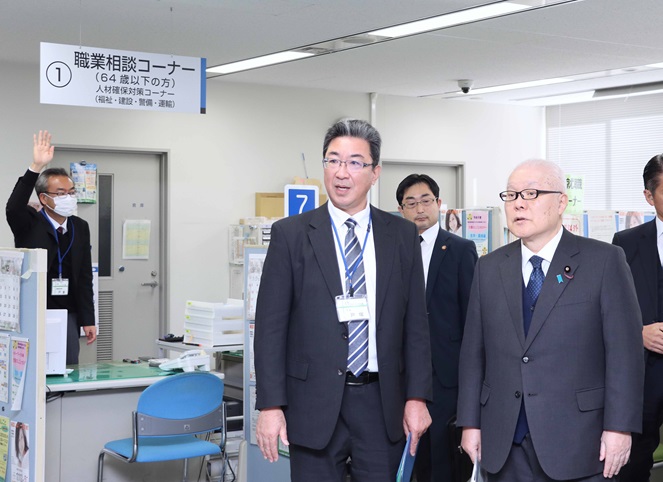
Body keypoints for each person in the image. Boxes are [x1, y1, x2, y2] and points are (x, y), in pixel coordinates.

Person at [254, 119, 432, 482]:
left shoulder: (401, 235)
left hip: (382, 402)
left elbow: (416, 324)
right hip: (312, 403)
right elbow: (270, 328)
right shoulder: (291, 235)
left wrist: (417, 397)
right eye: (333, 160)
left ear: (375, 172)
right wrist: (270, 405)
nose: (341, 172)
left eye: (354, 162)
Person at [457, 159, 644, 481]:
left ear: (561, 202)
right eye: (511, 195)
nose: (518, 204)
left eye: (531, 193)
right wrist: (470, 423)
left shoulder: (603, 261)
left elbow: (624, 353)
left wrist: (619, 428)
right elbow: (473, 353)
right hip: (505, 440)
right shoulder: (489, 267)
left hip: (580, 440)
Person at [396, 173, 477, 482]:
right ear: (401, 210)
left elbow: (472, 317)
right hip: (402, 375)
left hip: (445, 375)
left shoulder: (460, 249)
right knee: (407, 460)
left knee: (442, 461)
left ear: (439, 203)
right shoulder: (392, 250)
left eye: (426, 201)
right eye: (411, 203)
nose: (419, 209)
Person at [6, 131, 96, 365]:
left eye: (71, 193)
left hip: (68, 313)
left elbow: (84, 276)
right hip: (33, 311)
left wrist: (88, 319)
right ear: (44, 199)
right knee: (34, 371)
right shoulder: (29, 223)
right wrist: (36, 166)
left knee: (67, 367)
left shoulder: (80, 226)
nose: (69, 198)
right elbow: (13, 206)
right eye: (61, 194)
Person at [612, 153, 663, 482]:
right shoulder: (625, 243)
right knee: (634, 464)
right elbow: (610, 309)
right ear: (649, 195)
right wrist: (638, 332)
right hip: (645, 374)